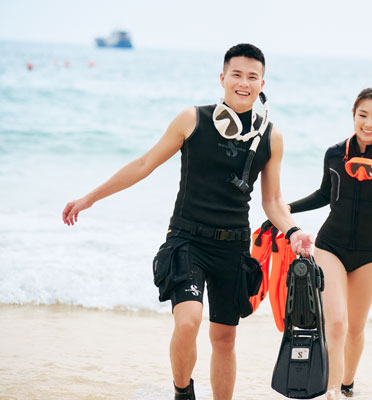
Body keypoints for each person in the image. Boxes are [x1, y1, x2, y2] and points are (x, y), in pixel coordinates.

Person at [62, 43, 313, 400]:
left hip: (232, 246)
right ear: (223, 77)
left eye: (252, 77)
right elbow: (143, 164)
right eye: (236, 74)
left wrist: (294, 231)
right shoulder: (191, 119)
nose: (243, 83)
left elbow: (272, 201)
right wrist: (90, 197)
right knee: (188, 321)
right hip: (187, 239)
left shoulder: (271, 136)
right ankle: (183, 391)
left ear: (262, 83)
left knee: (224, 338)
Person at [287, 88, 372, 398]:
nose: (368, 123)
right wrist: (284, 211)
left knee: (355, 329)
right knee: (337, 323)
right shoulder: (334, 154)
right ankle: (330, 392)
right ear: (354, 114)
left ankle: (346, 387)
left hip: (369, 255)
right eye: (363, 115)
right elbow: (322, 195)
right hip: (331, 247)